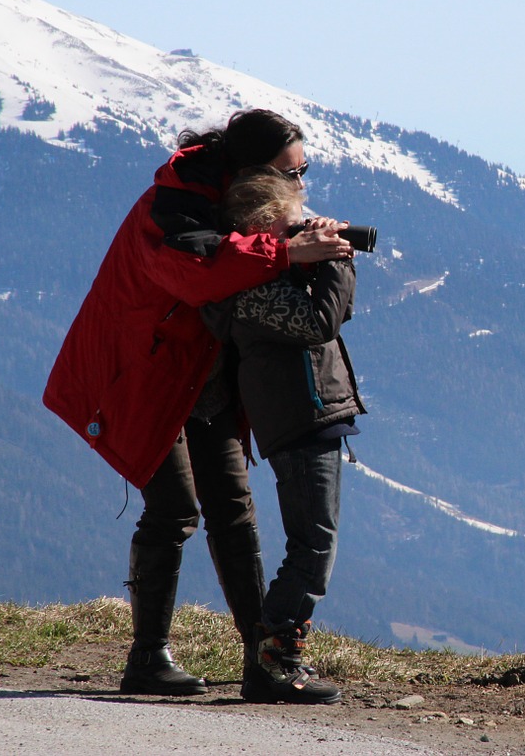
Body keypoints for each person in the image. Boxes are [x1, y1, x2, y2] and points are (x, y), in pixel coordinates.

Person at [43, 109, 353, 697]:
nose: (299, 182)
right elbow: (199, 270)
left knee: (234, 511)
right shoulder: (173, 204)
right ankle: (148, 656)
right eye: (292, 171)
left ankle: (260, 659)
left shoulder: (228, 200)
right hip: (143, 375)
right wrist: (290, 254)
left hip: (201, 377)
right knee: (176, 507)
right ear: (254, 169)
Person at [202, 166, 365, 704]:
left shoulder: (278, 278)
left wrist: (322, 260)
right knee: (313, 544)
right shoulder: (249, 289)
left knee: (316, 541)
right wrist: (336, 257)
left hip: (314, 414)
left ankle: (275, 656)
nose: (305, 235)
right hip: (297, 418)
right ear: (263, 234)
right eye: (293, 229)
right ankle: (272, 661)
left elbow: (338, 310)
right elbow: (320, 323)